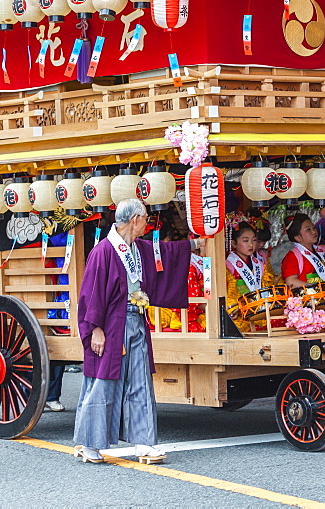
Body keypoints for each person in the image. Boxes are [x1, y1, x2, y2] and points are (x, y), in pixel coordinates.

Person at [73, 199, 202, 464]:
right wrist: (95, 329)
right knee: (103, 383)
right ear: (134, 220)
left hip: (135, 320)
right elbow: (91, 294)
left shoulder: (138, 248)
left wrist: (195, 244)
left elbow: (165, 252)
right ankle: (89, 444)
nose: (148, 223)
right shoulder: (103, 251)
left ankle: (144, 443)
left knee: (141, 382)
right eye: (145, 218)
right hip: (110, 325)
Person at [226, 222, 276, 333]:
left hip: (260, 312)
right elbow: (227, 293)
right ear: (234, 244)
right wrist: (234, 309)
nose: (251, 245)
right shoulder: (227, 265)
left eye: (253, 240)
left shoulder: (260, 265)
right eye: (245, 241)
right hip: (239, 314)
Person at [280, 214, 325, 291]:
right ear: (298, 237)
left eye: (313, 228)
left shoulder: (323, 250)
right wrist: (317, 288)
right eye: (308, 230)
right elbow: (291, 282)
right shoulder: (292, 256)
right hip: (310, 299)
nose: (314, 232)